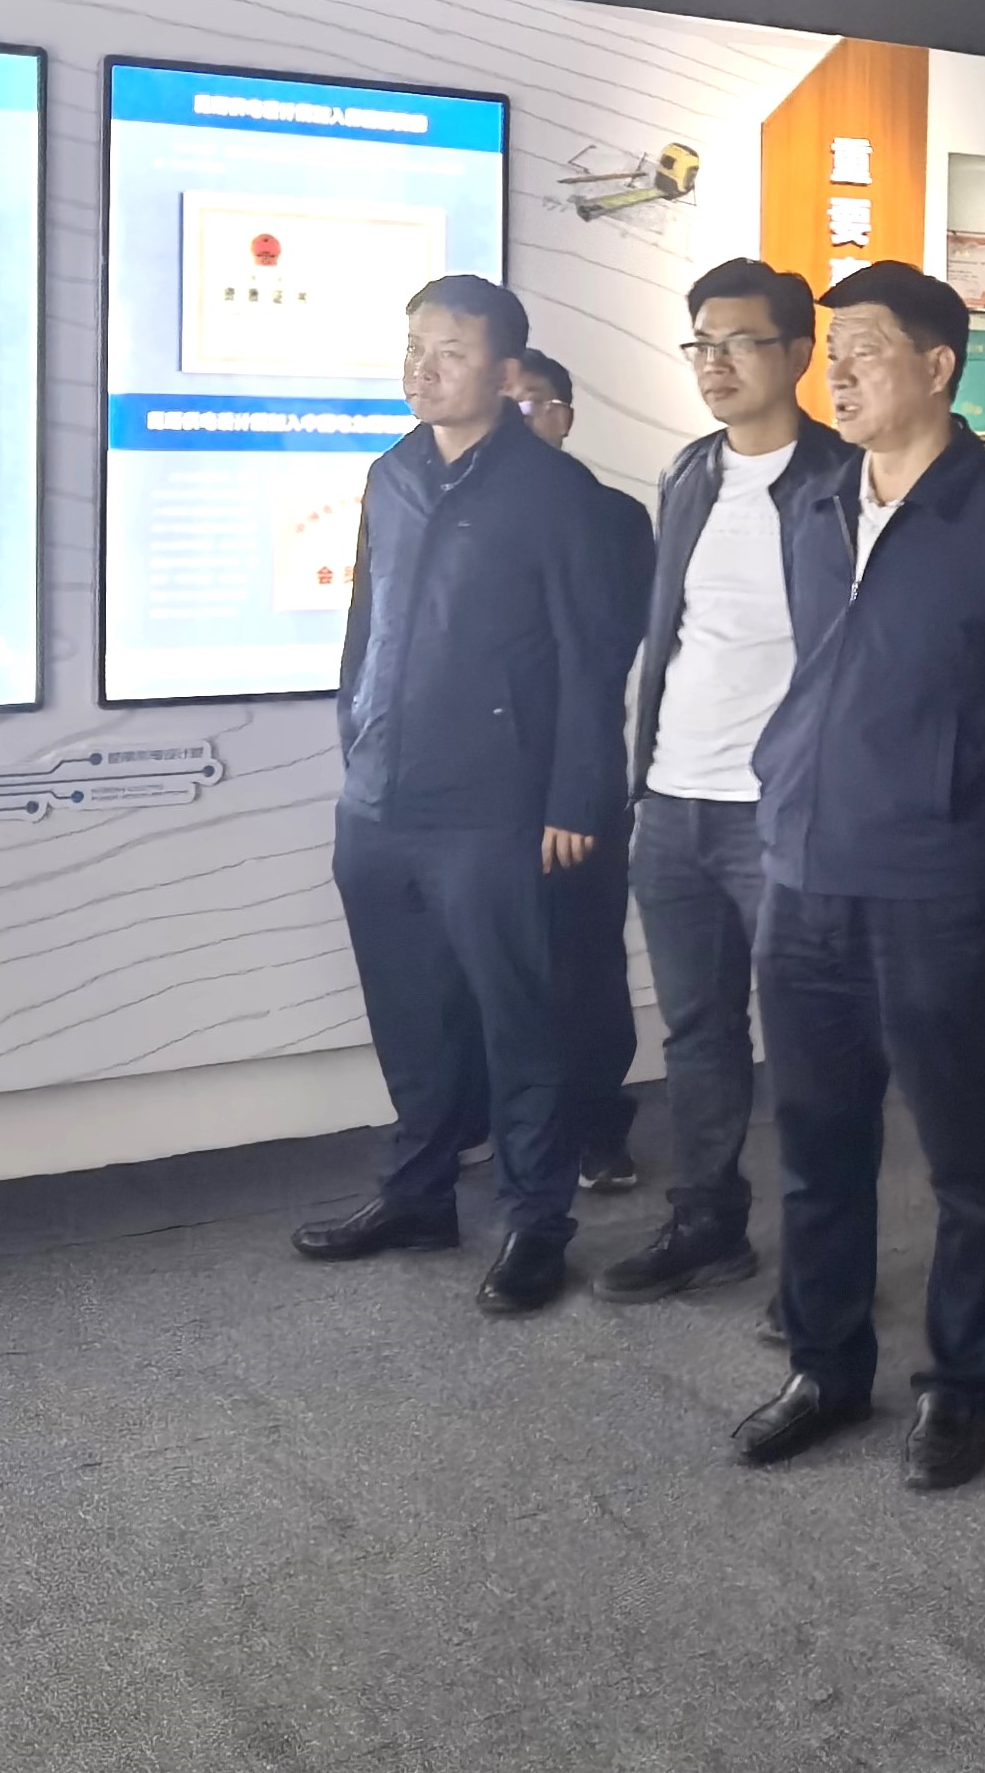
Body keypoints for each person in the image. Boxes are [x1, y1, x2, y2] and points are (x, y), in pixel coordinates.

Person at [727, 261, 985, 1493]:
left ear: (938, 367)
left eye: (865, 349)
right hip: (805, 873)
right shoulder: (816, 502)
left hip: (937, 883)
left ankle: (958, 1385)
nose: (837, 373)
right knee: (817, 1141)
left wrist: (945, 798)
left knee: (962, 1150)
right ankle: (825, 1365)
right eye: (832, 352)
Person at [292, 277, 626, 1315]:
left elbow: (589, 659)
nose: (422, 369)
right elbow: (367, 624)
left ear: (505, 371)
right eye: (414, 348)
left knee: (519, 1022)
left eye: (449, 351)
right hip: (381, 798)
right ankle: (418, 1194)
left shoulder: (552, 490)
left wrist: (575, 798)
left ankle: (535, 1222)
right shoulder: (390, 472)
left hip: (496, 805)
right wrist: (355, 734)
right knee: (410, 1013)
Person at [593, 261, 849, 1308]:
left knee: (812, 1042)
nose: (715, 363)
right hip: (672, 801)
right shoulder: (690, 472)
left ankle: (824, 1269)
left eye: (739, 341)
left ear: (797, 353)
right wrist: (643, 780)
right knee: (697, 1030)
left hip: (782, 811)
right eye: (701, 342)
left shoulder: (844, 478)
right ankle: (706, 1224)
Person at [465, 347, 654, 1198]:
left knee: (582, 963)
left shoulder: (611, 516)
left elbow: (606, 653)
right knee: (488, 964)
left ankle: (595, 1131)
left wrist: (573, 791)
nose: (514, 420)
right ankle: (501, 1125)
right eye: (501, 403)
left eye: (531, 404)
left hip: (575, 776)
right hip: (478, 786)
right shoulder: (457, 507)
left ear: (565, 416)